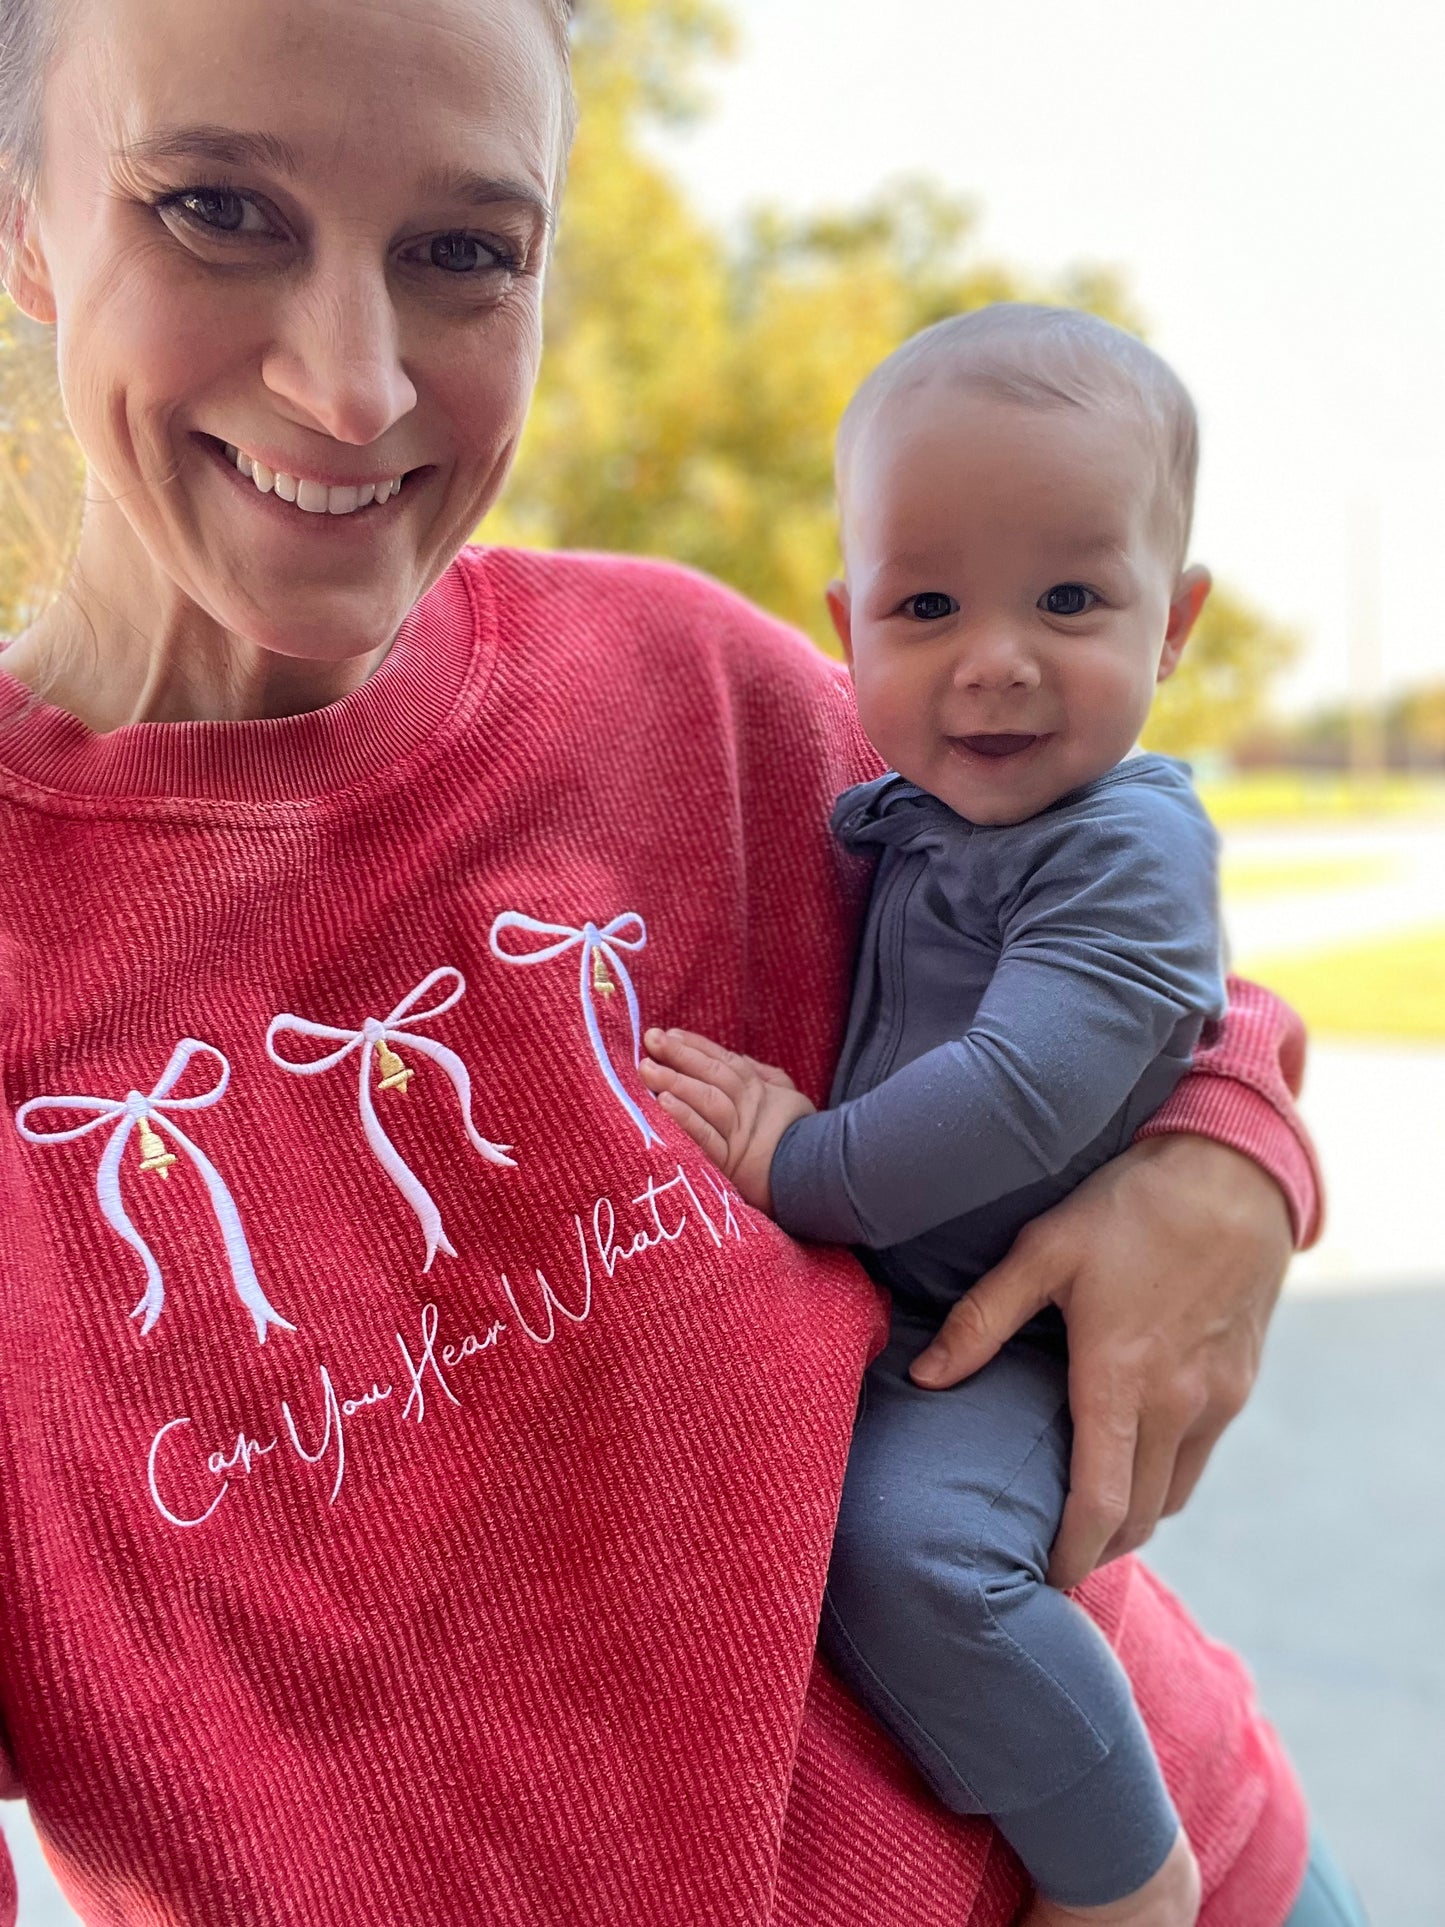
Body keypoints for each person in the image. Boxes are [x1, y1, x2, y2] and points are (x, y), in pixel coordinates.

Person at [0, 0, 1351, 1921]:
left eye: (467, 249)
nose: (353, 382)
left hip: (1175, 1871)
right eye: (217, 207)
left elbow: (1120, 943)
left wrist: (1228, 1149)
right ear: (31, 225)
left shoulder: (680, 685)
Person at [644, 305, 1238, 1926]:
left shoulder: (1123, 851)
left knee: (908, 1548)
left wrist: (796, 1162)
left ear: (1171, 623)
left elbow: (1020, 1088)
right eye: (926, 604)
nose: (993, 656)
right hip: (909, 1301)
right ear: (845, 627)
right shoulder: (907, 799)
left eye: (1067, 597)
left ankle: (1124, 1866)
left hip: (1014, 1332)